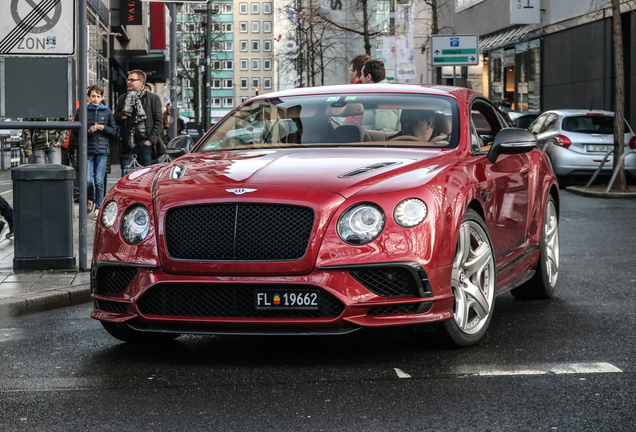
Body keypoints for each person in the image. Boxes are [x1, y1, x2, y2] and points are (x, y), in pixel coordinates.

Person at [72, 85, 117, 215]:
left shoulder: (107, 112)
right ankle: (90, 198)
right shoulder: (82, 111)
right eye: (93, 96)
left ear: (102, 97)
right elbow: (76, 131)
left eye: (98, 96)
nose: (95, 99)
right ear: (88, 97)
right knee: (87, 180)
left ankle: (99, 207)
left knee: (99, 180)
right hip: (87, 150)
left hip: (102, 150)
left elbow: (114, 132)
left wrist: (103, 128)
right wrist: (88, 131)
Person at [114, 69, 165, 171]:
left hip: (145, 144)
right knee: (127, 176)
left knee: (145, 177)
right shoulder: (122, 99)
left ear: (141, 82)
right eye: (127, 80)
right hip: (127, 144)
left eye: (132, 80)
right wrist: (121, 116)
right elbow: (114, 119)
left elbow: (159, 122)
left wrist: (150, 141)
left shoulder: (152, 98)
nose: (128, 82)